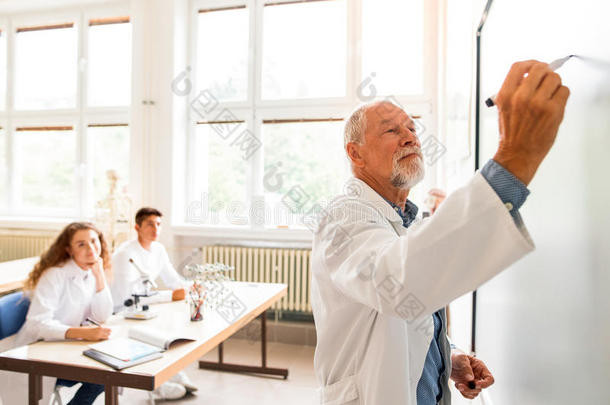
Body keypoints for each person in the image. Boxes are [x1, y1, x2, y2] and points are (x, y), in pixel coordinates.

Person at [311, 60, 570, 404]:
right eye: (391, 130)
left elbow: (416, 306)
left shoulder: (406, 220)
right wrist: (514, 162)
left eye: (412, 129)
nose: (410, 137)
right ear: (355, 153)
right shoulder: (342, 219)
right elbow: (398, 286)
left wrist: (446, 358)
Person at [15, 222, 114, 405]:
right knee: (102, 377)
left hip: (67, 347)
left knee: (108, 375)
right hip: (38, 352)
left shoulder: (92, 270)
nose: (91, 248)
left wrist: (100, 276)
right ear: (69, 250)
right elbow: (36, 324)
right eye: (81, 244)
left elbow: (102, 315)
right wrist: (82, 333)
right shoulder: (55, 275)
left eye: (94, 241)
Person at [110, 207, 195, 399]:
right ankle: (158, 385)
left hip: (146, 306)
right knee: (158, 331)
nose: (155, 229)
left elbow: (173, 280)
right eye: (150, 224)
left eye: (158, 224)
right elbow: (127, 298)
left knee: (173, 326)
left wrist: (191, 288)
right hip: (120, 313)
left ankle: (172, 372)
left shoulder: (158, 249)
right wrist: (168, 296)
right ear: (137, 227)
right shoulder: (126, 254)